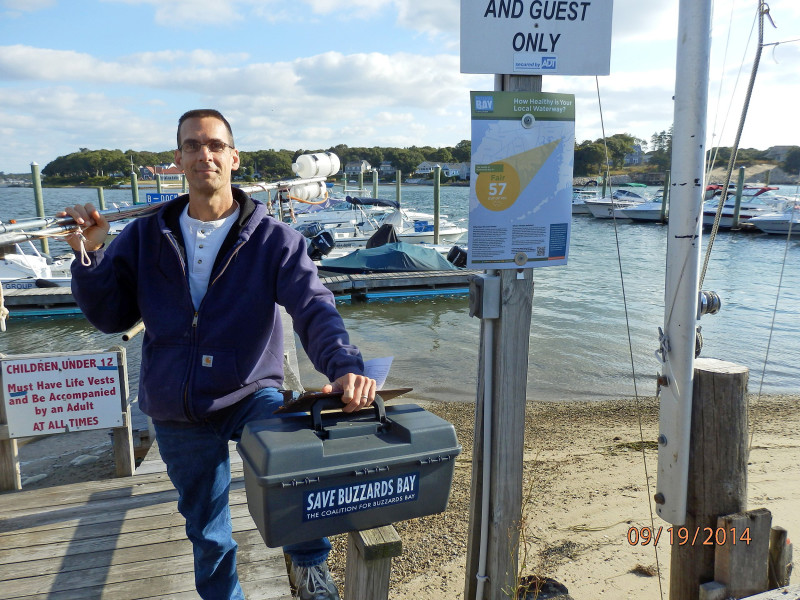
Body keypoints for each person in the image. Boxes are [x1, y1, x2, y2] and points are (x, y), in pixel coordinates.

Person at [61, 108, 375, 600]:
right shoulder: (143, 236)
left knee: (297, 469)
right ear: (178, 159)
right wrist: (91, 254)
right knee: (207, 531)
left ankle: (310, 564)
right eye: (192, 145)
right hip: (175, 403)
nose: (203, 154)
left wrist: (345, 368)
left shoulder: (275, 240)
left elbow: (314, 307)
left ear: (233, 156)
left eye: (213, 145)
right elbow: (111, 318)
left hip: (250, 391)